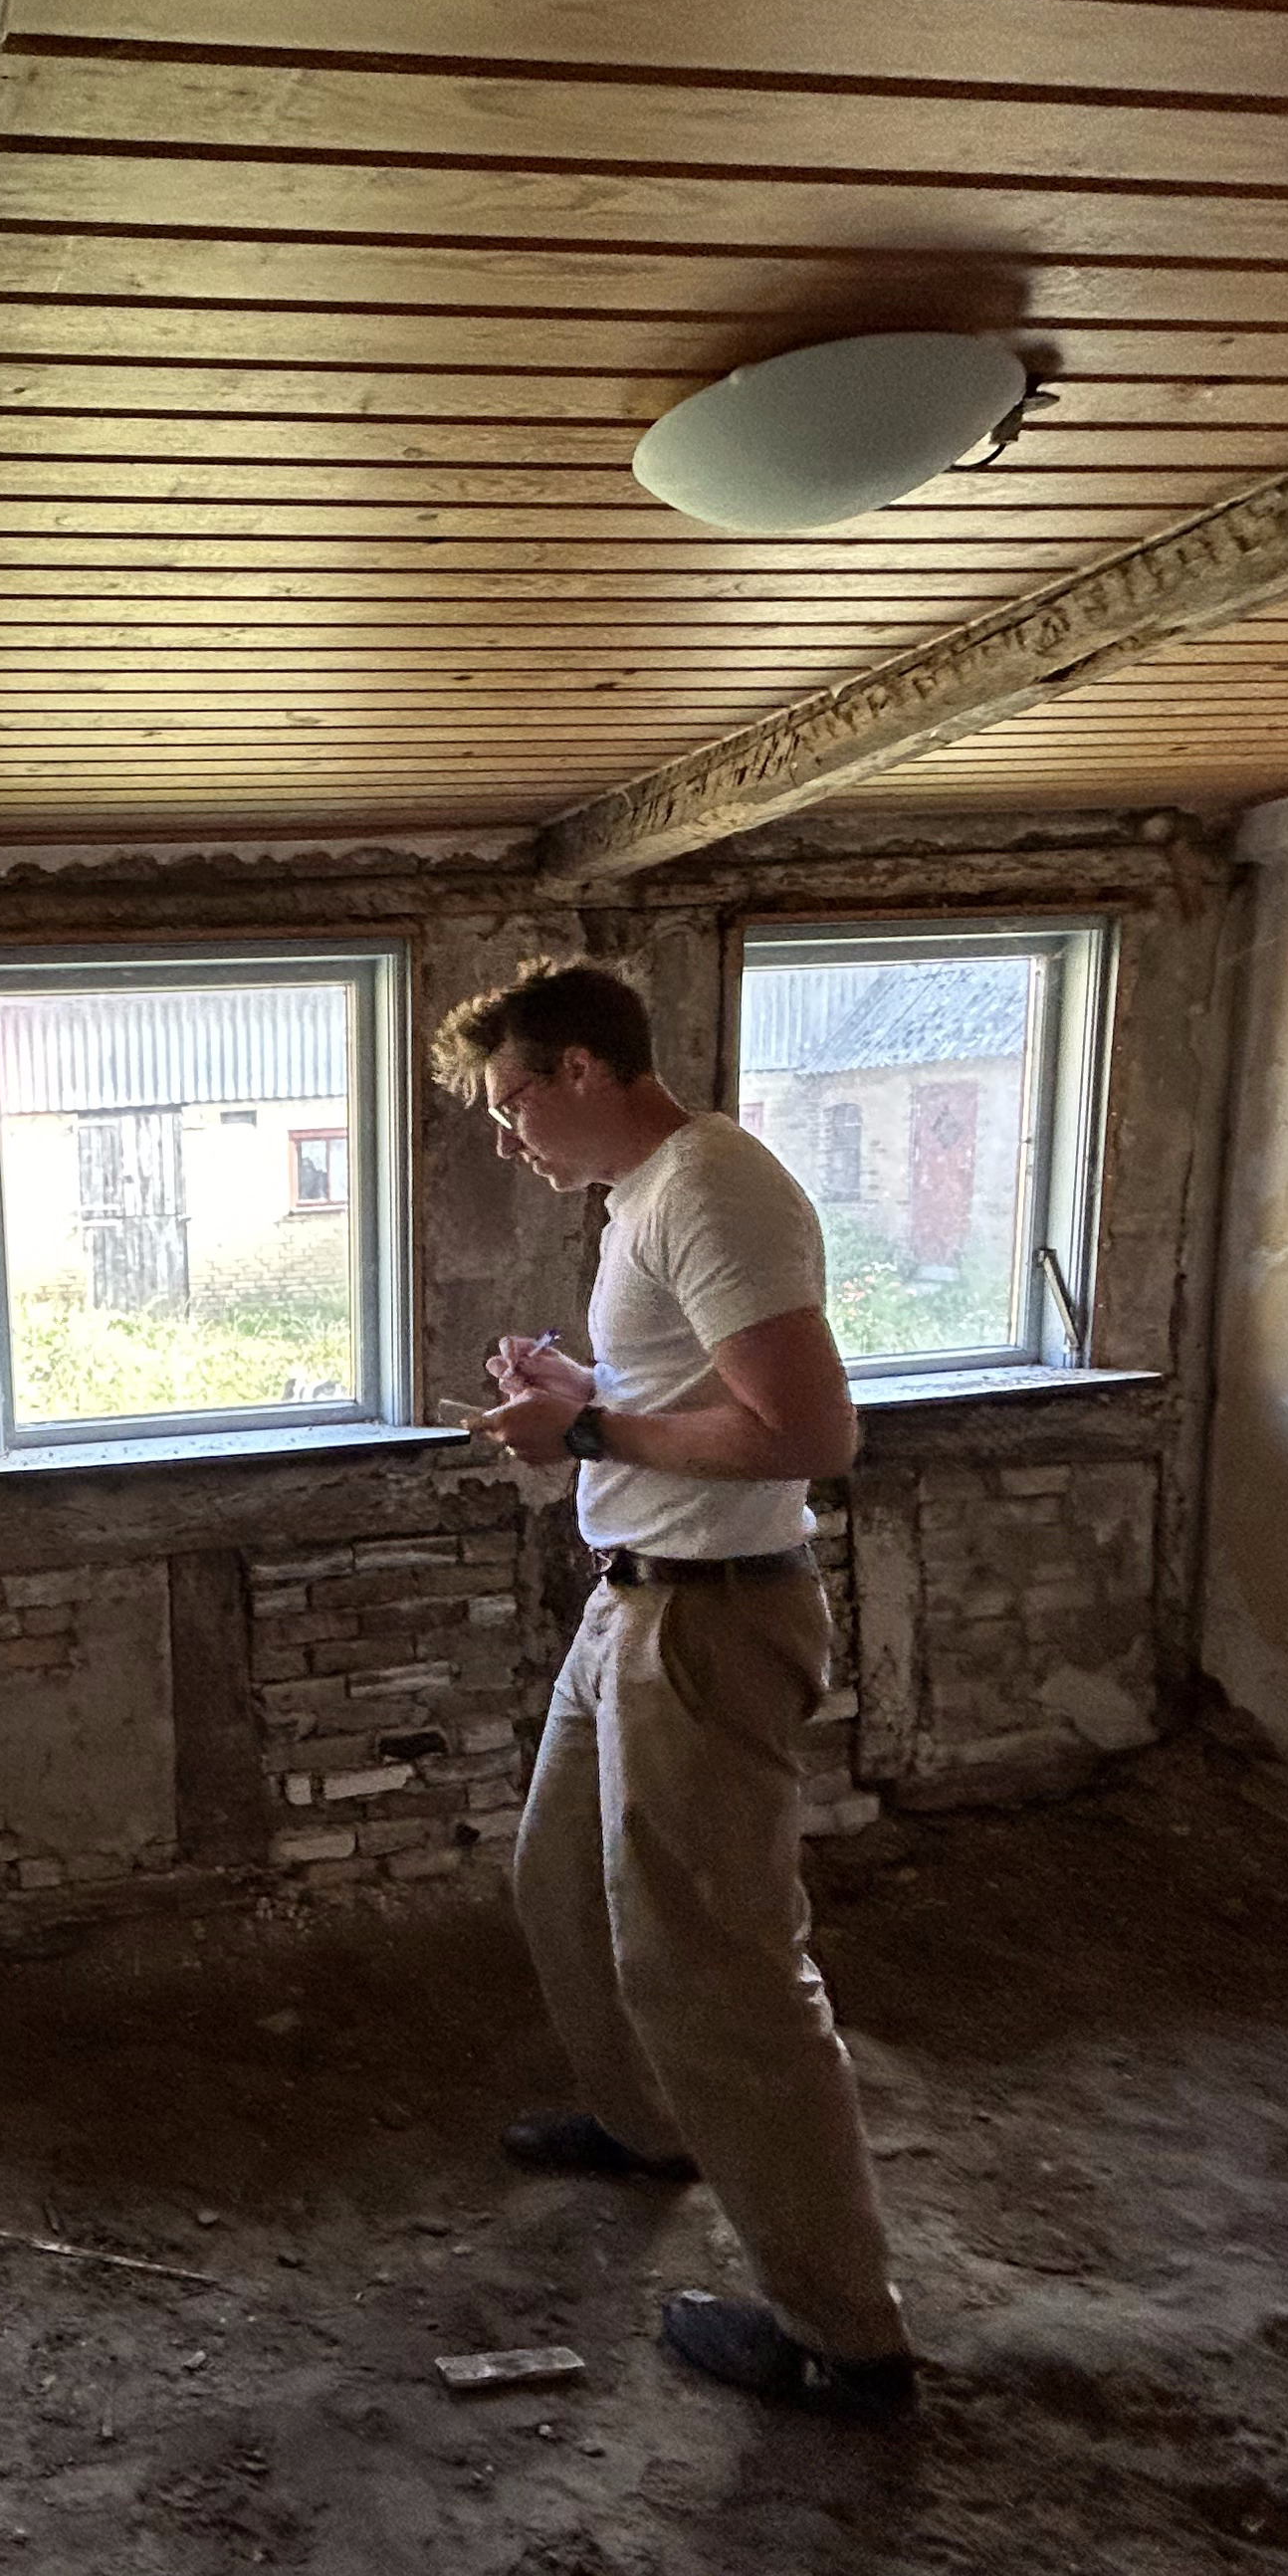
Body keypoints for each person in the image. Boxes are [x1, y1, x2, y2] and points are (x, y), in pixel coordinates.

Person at [439, 963, 919, 2423]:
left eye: (513, 1103)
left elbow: (808, 1432)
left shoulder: (711, 1187)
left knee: (724, 1974)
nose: (509, 1137)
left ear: (584, 1070)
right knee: (559, 1883)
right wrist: (583, 1388)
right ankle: (650, 2125)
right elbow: (693, 1400)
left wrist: (587, 1426)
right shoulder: (645, 1198)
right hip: (637, 1598)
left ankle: (846, 2338)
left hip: (711, 1618)